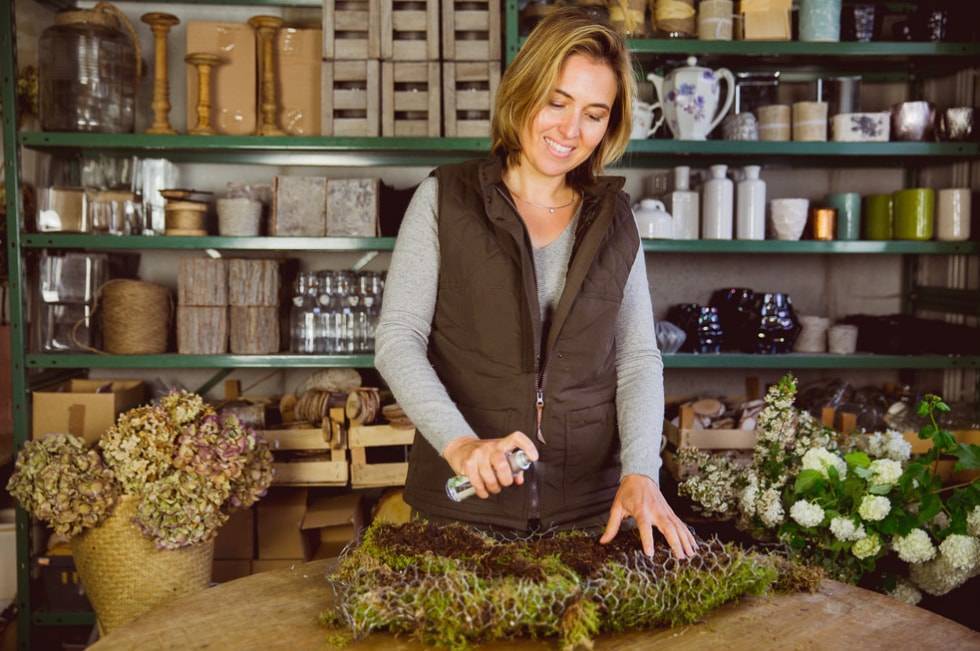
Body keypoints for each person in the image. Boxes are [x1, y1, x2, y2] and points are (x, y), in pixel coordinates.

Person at [375, 7, 697, 560]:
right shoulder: (446, 199)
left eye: (594, 114)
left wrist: (642, 471)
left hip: (589, 514)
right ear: (523, 93)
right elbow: (398, 339)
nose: (571, 131)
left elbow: (638, 359)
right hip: (465, 507)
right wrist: (461, 444)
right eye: (557, 102)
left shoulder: (615, 219)